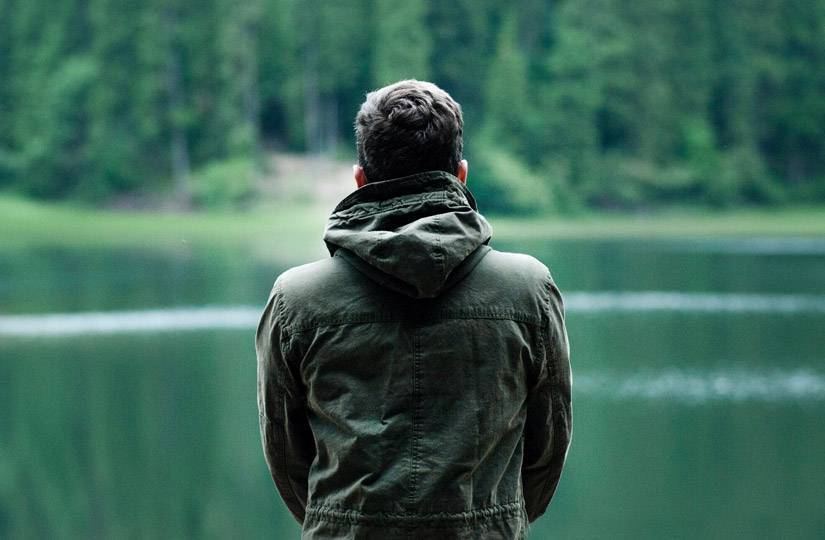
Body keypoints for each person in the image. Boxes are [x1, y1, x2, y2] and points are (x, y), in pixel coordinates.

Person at [256, 79, 572, 539]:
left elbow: (287, 456)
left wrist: (344, 522)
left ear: (360, 179)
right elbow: (548, 447)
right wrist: (495, 521)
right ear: (461, 174)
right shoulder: (528, 289)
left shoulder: (297, 299)